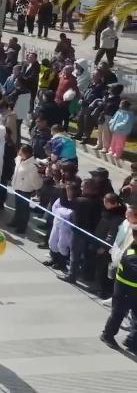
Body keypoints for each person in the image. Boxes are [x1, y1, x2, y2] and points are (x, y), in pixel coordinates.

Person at [101, 202, 137, 352]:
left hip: (132, 291)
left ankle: (131, 340)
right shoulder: (131, 254)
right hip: (124, 291)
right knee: (118, 314)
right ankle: (107, 335)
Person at [9, 144, 44, 235]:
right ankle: (15, 221)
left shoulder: (32, 165)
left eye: (22, 152)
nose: (20, 153)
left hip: (25, 189)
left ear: (27, 154)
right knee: (18, 206)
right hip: (18, 186)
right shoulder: (19, 159)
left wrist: (36, 189)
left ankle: (22, 226)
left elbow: (35, 179)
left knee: (24, 209)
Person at [107, 100, 135, 165]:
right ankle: (112, 151)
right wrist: (111, 123)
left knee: (119, 143)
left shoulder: (129, 114)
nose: (119, 105)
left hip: (122, 132)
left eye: (120, 104)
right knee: (113, 141)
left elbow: (126, 123)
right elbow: (114, 118)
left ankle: (117, 153)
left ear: (124, 105)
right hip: (115, 130)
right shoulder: (118, 112)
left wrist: (117, 126)